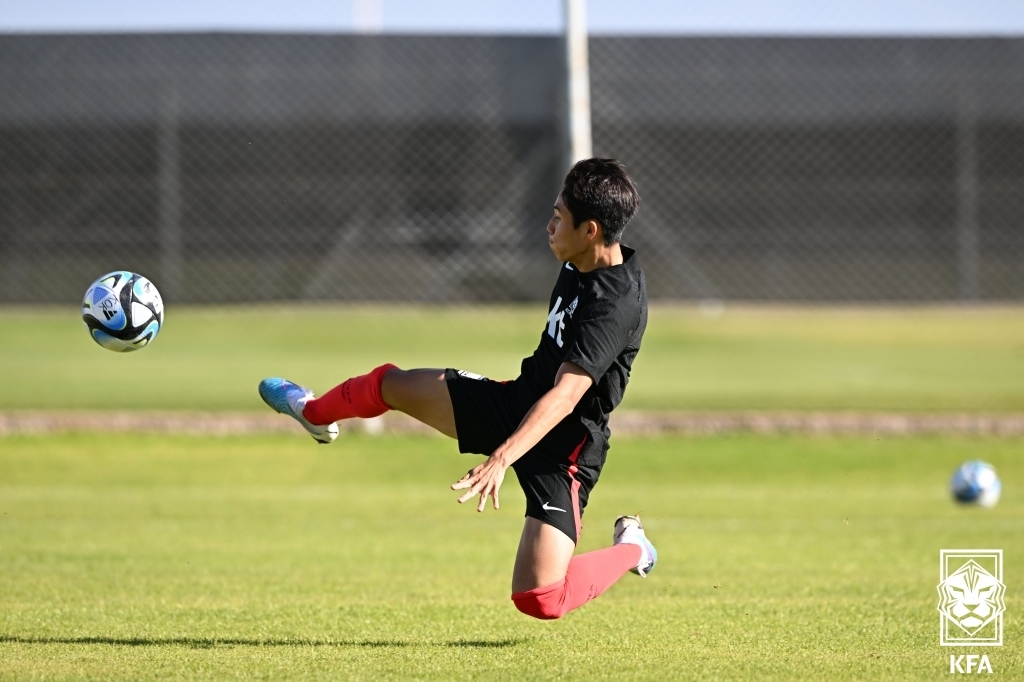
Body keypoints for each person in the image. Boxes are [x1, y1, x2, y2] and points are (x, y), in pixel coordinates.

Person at [258, 158, 656, 620]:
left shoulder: (613, 306)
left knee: (540, 600)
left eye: (558, 218)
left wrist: (503, 457)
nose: (548, 226)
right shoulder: (581, 254)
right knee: (392, 385)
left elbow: (566, 397)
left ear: (590, 230)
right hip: (513, 404)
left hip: (562, 452)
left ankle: (633, 549)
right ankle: (313, 412)